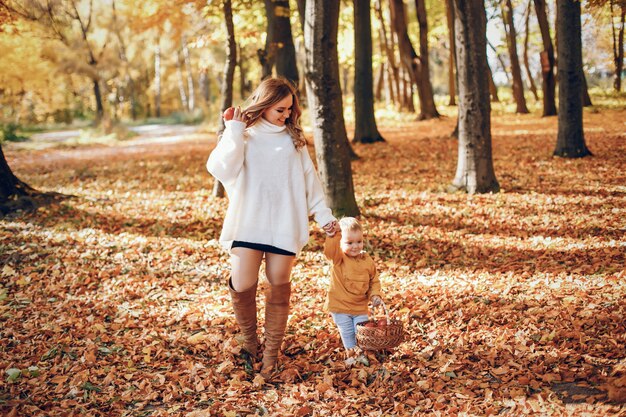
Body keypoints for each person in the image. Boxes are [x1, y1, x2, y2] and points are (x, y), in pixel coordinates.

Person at [206, 77, 337, 378]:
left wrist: (323, 215)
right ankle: (250, 342)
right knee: (242, 282)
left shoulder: (295, 141)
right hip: (248, 222)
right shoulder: (244, 134)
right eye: (280, 109)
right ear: (264, 105)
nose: (286, 115)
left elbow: (310, 182)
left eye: (290, 109)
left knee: (278, 283)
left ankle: (271, 354)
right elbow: (220, 168)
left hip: (284, 224)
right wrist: (234, 130)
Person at [323, 217, 383, 361]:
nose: (355, 246)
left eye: (359, 241)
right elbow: (329, 252)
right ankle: (352, 356)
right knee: (348, 332)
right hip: (340, 306)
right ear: (340, 243)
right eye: (349, 243)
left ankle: (362, 355)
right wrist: (333, 235)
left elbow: (373, 280)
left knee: (362, 332)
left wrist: (375, 295)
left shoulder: (367, 261)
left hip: (359, 307)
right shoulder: (339, 259)